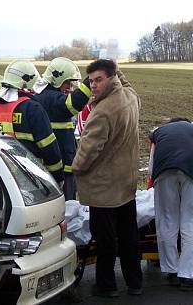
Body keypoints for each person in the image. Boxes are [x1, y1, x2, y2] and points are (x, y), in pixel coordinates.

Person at [72, 59, 142, 297]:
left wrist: (76, 169)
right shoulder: (130, 97)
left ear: (110, 78)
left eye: (99, 79)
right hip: (127, 181)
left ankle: (106, 285)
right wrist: (116, 69)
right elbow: (126, 83)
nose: (93, 85)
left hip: (104, 188)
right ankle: (135, 282)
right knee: (129, 234)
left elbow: (89, 149)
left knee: (105, 240)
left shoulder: (102, 111)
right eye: (91, 80)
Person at [149, 118, 193, 290]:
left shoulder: (158, 133)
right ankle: (187, 275)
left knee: (167, 221)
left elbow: (151, 166)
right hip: (192, 172)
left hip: (163, 173)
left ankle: (171, 271)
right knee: (191, 223)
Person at [0, 60, 64, 184]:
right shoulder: (32, 108)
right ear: (27, 81)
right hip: (31, 177)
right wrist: (57, 177)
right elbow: (49, 146)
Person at [33, 57, 92, 199]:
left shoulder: (42, 96)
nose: (70, 87)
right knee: (66, 205)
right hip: (61, 165)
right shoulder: (51, 98)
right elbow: (73, 104)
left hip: (52, 163)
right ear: (56, 79)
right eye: (67, 82)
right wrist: (89, 82)